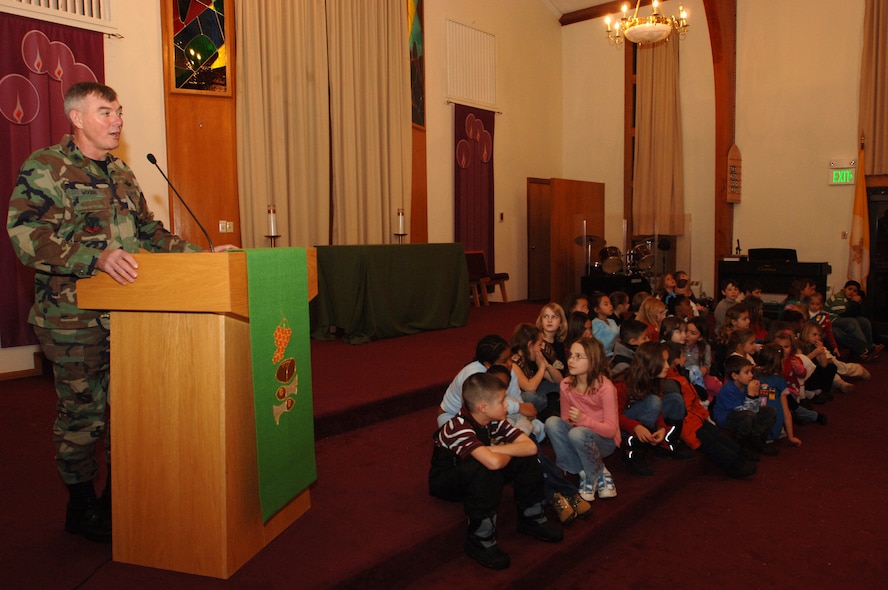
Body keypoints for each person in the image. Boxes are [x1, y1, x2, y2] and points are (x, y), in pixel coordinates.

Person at [5, 82, 237, 543]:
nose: (117, 121)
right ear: (76, 118)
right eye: (106, 112)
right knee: (83, 414)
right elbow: (27, 237)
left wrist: (201, 256)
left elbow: (149, 233)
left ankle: (119, 498)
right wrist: (96, 258)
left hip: (131, 315)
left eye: (119, 111)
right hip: (72, 320)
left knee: (130, 410)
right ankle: (81, 506)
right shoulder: (47, 167)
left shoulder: (123, 173)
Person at [430, 373, 563, 570]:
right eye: (502, 401)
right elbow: (492, 463)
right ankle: (480, 540)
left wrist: (494, 450)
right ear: (483, 407)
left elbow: (530, 447)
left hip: (480, 467)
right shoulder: (457, 427)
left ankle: (531, 517)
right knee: (484, 467)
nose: (507, 405)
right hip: (448, 482)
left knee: (524, 458)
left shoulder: (493, 420)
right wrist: (499, 453)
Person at [663, 343, 757, 478]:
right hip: (689, 423)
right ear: (675, 360)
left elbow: (693, 402)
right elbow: (681, 411)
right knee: (712, 444)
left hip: (697, 418)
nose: (685, 358)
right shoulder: (672, 382)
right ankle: (734, 465)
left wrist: (702, 415)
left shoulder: (679, 375)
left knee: (720, 436)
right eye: (683, 355)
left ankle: (739, 455)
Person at [544, 337, 620, 502]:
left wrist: (583, 419)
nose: (571, 360)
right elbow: (565, 419)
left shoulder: (605, 387)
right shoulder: (566, 384)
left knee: (578, 433)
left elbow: (610, 430)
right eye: (571, 355)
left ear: (593, 360)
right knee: (551, 423)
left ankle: (597, 472)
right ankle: (587, 472)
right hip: (578, 435)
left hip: (604, 441)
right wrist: (576, 423)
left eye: (579, 356)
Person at [438, 334, 544, 441]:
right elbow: (479, 411)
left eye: (510, 358)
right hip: (456, 418)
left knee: (525, 423)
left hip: (496, 411)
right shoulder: (474, 377)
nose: (510, 363)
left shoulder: (508, 370)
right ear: (488, 365)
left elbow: (518, 401)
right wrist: (518, 408)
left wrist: (521, 411)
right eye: (503, 361)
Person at [619, 342, 692, 478]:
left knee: (675, 399)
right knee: (653, 401)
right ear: (651, 363)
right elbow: (614, 416)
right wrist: (636, 427)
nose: (667, 366)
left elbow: (658, 409)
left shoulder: (655, 380)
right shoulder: (623, 383)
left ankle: (667, 443)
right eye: (663, 362)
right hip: (623, 425)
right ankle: (634, 452)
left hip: (642, 417)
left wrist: (661, 427)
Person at [711, 356, 778, 459]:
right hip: (728, 418)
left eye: (751, 372)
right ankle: (741, 447)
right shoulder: (728, 390)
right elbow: (744, 411)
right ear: (735, 375)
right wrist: (751, 395)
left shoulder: (746, 386)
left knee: (770, 411)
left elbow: (755, 409)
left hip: (746, 413)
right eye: (747, 372)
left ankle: (758, 440)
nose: (751, 375)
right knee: (747, 416)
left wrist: (755, 394)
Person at [755, 343, 803, 445]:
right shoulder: (779, 381)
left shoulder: (752, 377)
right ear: (779, 362)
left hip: (755, 428)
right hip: (773, 430)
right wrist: (791, 437)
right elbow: (786, 411)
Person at [825, 280, 884, 361]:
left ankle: (871, 346)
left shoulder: (851, 299)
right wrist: (854, 302)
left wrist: (857, 302)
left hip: (841, 319)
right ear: (844, 289)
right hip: (832, 320)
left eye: (855, 291)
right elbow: (845, 314)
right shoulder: (837, 298)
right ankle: (865, 349)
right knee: (851, 322)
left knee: (864, 321)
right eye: (850, 289)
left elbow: (856, 314)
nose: (852, 292)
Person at [590, 292, 619, 358]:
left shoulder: (612, 321)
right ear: (597, 309)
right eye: (606, 304)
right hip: (600, 356)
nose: (610, 306)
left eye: (610, 303)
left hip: (612, 353)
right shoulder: (595, 323)